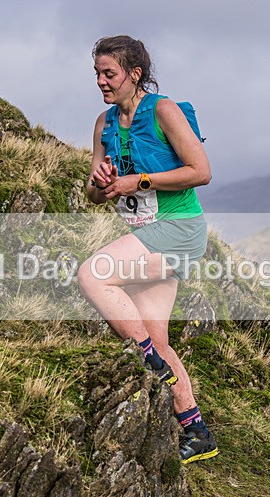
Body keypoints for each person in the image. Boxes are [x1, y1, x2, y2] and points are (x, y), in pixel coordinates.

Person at [77, 35, 218, 464]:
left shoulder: (163, 111)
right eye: (97, 73)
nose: (101, 81)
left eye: (109, 73)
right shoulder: (104, 124)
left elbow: (201, 171)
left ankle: (152, 362)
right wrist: (103, 183)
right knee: (156, 335)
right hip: (146, 233)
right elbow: (93, 195)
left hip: (178, 229)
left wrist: (137, 181)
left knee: (93, 274)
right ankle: (196, 430)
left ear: (134, 74)